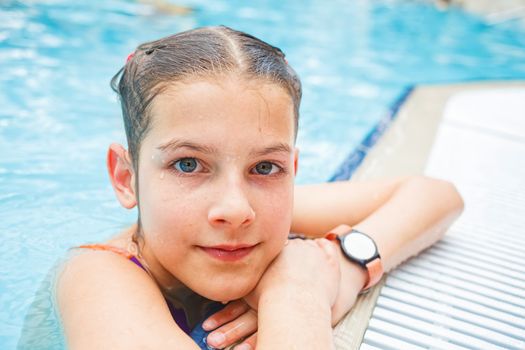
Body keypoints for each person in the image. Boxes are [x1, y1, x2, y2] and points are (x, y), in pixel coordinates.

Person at [56, 26, 464, 350]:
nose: (235, 208)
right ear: (126, 178)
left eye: (266, 166)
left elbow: (436, 195)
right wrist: (298, 292)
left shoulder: (261, 209)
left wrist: (344, 265)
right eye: (188, 164)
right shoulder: (96, 276)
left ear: (292, 169)